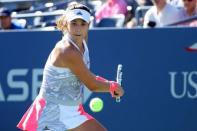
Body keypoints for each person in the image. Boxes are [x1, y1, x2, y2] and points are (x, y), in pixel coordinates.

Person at [17, 3, 124, 131]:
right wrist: (112, 87)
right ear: (66, 24)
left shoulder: (82, 42)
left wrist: (109, 84)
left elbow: (87, 75)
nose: (78, 28)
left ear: (88, 25)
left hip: (71, 111)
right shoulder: (67, 50)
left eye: (82, 23)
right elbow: (91, 84)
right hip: (51, 113)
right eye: (74, 23)